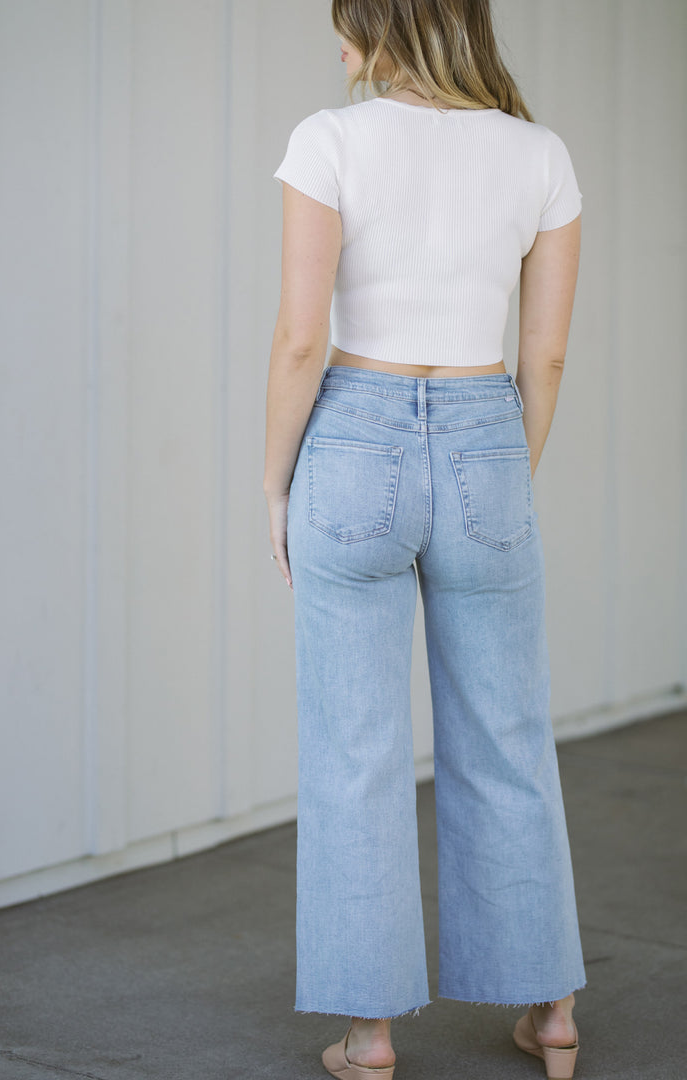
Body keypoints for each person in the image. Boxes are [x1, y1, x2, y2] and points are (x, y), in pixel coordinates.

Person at [263, 2, 585, 1077]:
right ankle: (550, 1015)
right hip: (488, 430)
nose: (337, 43)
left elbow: (304, 339)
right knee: (507, 736)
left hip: (351, 435)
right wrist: (503, 473)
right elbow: (542, 359)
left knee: (355, 753)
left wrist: (276, 483)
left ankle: (369, 1035)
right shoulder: (540, 154)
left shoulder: (332, 141)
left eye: (346, 20)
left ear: (386, 23)